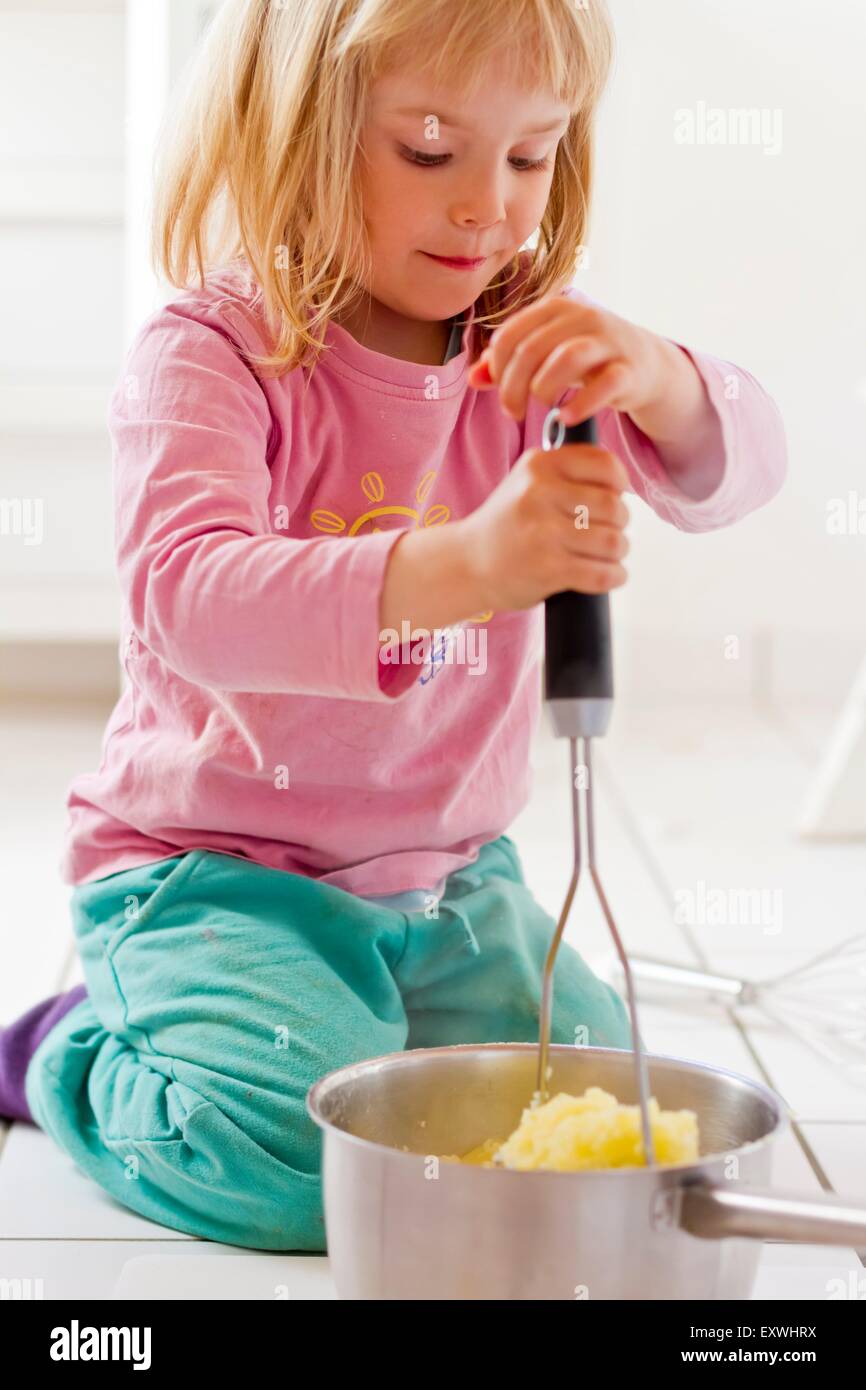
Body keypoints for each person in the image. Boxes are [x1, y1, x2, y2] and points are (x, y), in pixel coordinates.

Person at [0, 0, 786, 1251]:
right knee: (297, 1168)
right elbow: (188, 592)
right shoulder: (209, 356)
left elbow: (732, 471)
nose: (490, 205)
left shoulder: (530, 343)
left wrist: (663, 374)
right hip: (214, 875)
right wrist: (464, 564)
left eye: (530, 155)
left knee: (599, 1102)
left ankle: (364, 1011)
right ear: (296, 132)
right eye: (429, 149)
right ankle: (72, 1052)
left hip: (447, 880)